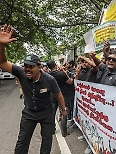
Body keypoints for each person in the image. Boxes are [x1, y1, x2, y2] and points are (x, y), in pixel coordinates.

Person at [0, 24, 67, 154]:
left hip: (46, 113)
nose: (27, 69)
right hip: (29, 113)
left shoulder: (50, 80)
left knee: (47, 140)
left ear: (39, 66)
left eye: (31, 66)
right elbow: (2, 63)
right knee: (22, 142)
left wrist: (63, 110)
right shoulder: (21, 72)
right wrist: (1, 46)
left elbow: (58, 94)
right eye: (25, 66)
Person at [47, 59, 73, 137]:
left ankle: (52, 130)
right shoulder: (62, 74)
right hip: (62, 95)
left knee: (52, 113)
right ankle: (64, 132)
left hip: (52, 96)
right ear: (55, 65)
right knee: (64, 112)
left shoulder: (47, 75)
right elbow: (70, 82)